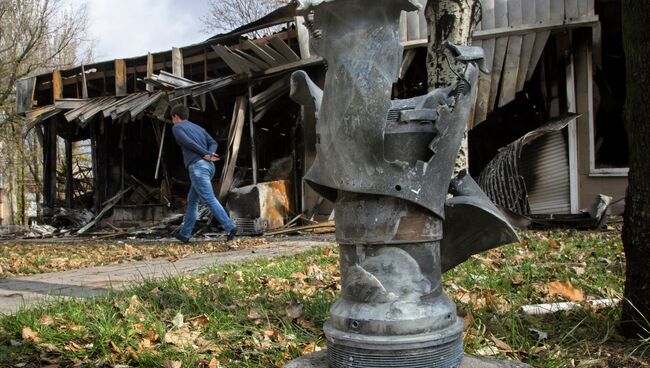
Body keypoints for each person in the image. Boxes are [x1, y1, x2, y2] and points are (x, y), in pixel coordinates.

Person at [170, 104, 237, 242]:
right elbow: (213, 142)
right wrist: (210, 152)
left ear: (175, 116)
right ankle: (185, 234)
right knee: (192, 201)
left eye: (172, 118)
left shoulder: (177, 127)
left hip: (198, 167)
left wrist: (205, 153)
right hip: (209, 167)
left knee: (209, 198)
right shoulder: (199, 128)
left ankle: (230, 226)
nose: (172, 121)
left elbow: (187, 142)